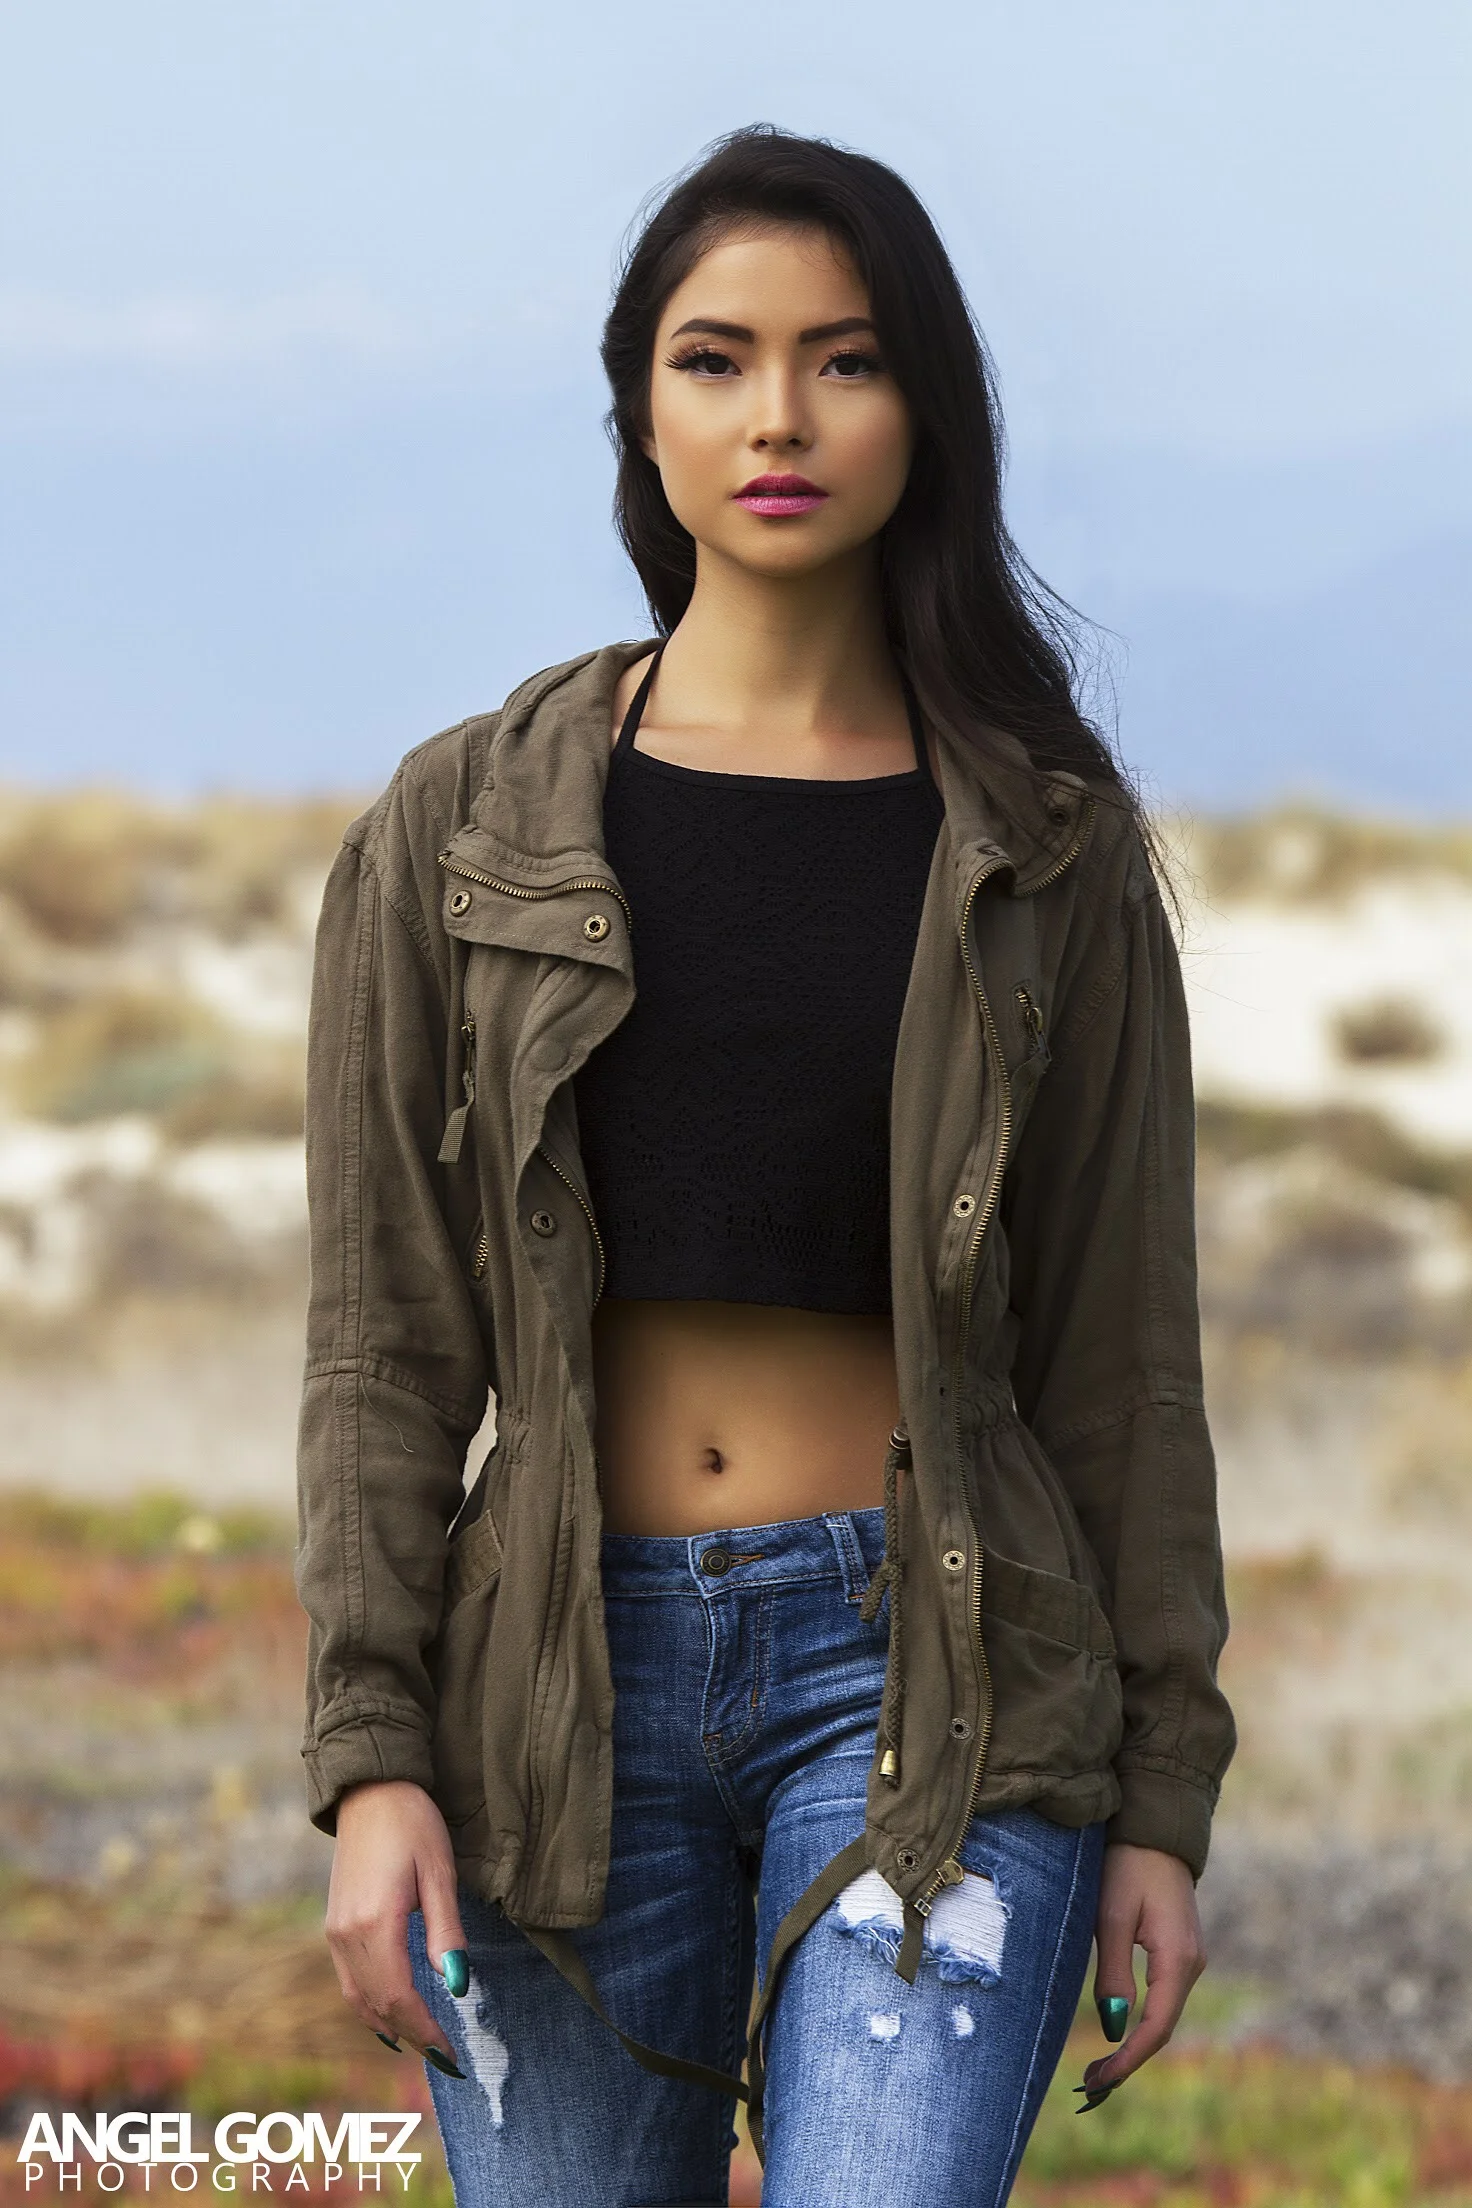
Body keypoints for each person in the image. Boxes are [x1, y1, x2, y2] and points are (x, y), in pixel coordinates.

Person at [295, 125, 1235, 2207]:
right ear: (640, 404)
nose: (781, 417)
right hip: (554, 1684)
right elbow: (383, 1347)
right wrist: (372, 1762)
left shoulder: (1049, 856)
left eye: (848, 360)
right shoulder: (464, 828)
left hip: (938, 1675)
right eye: (718, 359)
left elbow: (1118, 1363)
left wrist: (1161, 1795)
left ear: (930, 411)